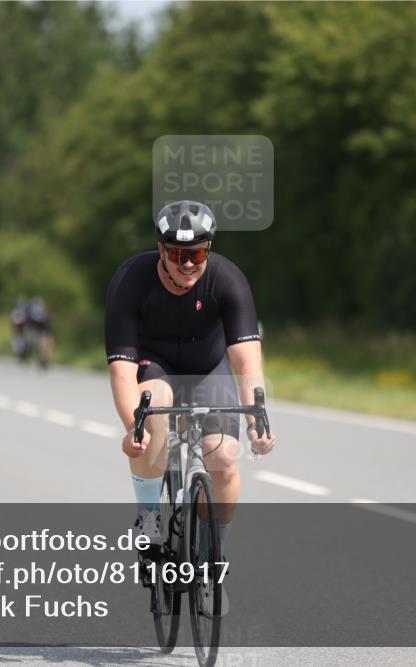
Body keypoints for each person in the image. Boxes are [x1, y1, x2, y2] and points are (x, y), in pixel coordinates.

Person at [104, 200, 277, 616]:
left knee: (225, 458)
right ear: (161, 250)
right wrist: (134, 428)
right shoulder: (131, 280)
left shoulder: (227, 279)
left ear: (209, 249)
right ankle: (149, 519)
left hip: (208, 367)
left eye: (197, 253)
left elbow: (246, 360)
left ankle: (208, 565)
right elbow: (122, 372)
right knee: (154, 405)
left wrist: (258, 416)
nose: (187, 264)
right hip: (154, 365)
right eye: (178, 254)